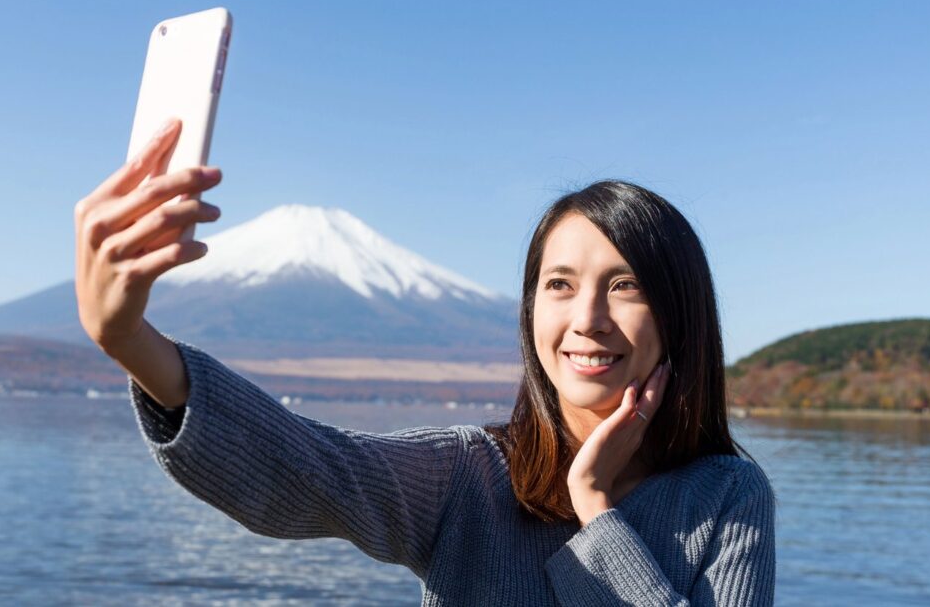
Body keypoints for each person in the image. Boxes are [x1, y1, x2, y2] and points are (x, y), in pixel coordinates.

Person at [74, 118, 775, 605]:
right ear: (530, 309)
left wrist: (594, 507)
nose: (586, 318)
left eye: (626, 286)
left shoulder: (727, 497)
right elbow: (314, 468)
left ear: (679, 313)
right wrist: (129, 340)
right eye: (559, 284)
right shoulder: (468, 474)